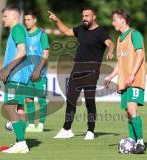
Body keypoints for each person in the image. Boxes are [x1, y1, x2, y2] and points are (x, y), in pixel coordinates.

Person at [48, 7, 115, 140]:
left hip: (92, 72)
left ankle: (90, 130)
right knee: (71, 101)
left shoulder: (100, 31)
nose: (84, 18)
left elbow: (110, 43)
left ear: (94, 17)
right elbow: (67, 31)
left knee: (89, 101)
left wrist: (111, 51)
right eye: (83, 15)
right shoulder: (81, 29)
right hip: (76, 70)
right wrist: (57, 20)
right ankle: (67, 129)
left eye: (87, 16)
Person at [105, 9, 146, 154]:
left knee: (132, 109)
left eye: (115, 19)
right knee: (128, 113)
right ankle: (133, 141)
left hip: (134, 79)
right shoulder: (119, 39)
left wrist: (132, 74)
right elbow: (120, 63)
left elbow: (140, 55)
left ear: (123, 20)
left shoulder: (134, 34)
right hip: (124, 82)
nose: (113, 23)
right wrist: (110, 76)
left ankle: (140, 142)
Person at [0, 5, 31, 154]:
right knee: (19, 108)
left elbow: (22, 51)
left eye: (5, 16)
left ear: (13, 16)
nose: (2, 19)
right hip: (21, 75)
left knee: (10, 107)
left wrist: (7, 69)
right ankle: (20, 142)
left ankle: (22, 143)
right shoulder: (20, 30)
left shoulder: (17, 29)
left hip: (16, 75)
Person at [24, 10, 50, 132]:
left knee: (41, 99)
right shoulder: (24, 34)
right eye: (25, 20)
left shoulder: (41, 34)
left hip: (40, 72)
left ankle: (40, 125)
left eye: (28, 20)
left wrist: (38, 70)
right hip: (26, 72)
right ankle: (30, 125)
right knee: (28, 99)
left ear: (34, 20)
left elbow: (46, 53)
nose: (26, 22)